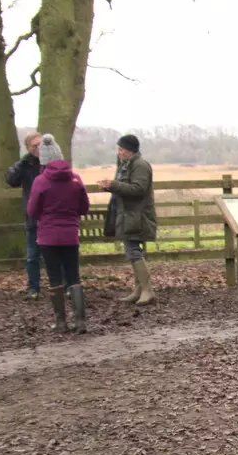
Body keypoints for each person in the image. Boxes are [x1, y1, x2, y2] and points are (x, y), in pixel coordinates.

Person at [26, 134, 90, 334]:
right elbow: (84, 207)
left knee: (54, 277)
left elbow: (32, 210)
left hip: (48, 237)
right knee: (74, 276)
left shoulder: (40, 181)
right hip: (70, 234)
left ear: (44, 159)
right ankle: (80, 321)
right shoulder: (75, 179)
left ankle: (61, 322)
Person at [98, 133, 156, 305]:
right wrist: (110, 187)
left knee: (133, 251)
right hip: (128, 215)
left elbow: (138, 189)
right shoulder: (127, 165)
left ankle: (147, 290)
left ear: (130, 150)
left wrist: (114, 185)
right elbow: (126, 189)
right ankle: (139, 290)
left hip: (137, 215)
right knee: (131, 251)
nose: (119, 152)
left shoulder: (140, 165)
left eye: (121, 149)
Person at [5, 131, 44, 299]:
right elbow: (11, 180)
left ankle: (63, 286)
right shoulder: (25, 165)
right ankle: (33, 288)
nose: (38, 149)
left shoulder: (51, 162)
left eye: (40, 145)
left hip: (51, 215)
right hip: (33, 216)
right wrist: (21, 163)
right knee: (32, 256)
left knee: (56, 255)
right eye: (34, 146)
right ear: (28, 148)